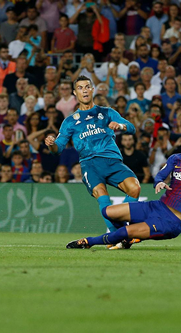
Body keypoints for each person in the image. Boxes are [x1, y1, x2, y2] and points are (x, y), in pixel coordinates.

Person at [66, 129, 181, 250]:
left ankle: (89, 242)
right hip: (157, 207)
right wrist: (159, 182)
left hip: (171, 222)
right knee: (108, 212)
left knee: (124, 232)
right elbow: (160, 175)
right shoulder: (175, 159)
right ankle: (125, 239)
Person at [45, 75, 142, 247]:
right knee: (102, 198)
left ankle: (119, 234)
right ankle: (119, 236)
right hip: (90, 164)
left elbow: (132, 128)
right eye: (80, 88)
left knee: (134, 188)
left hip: (112, 161)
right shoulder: (70, 122)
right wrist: (51, 144)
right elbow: (58, 148)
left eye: (87, 86)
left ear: (92, 89)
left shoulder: (107, 112)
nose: (84, 90)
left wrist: (120, 126)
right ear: (75, 93)